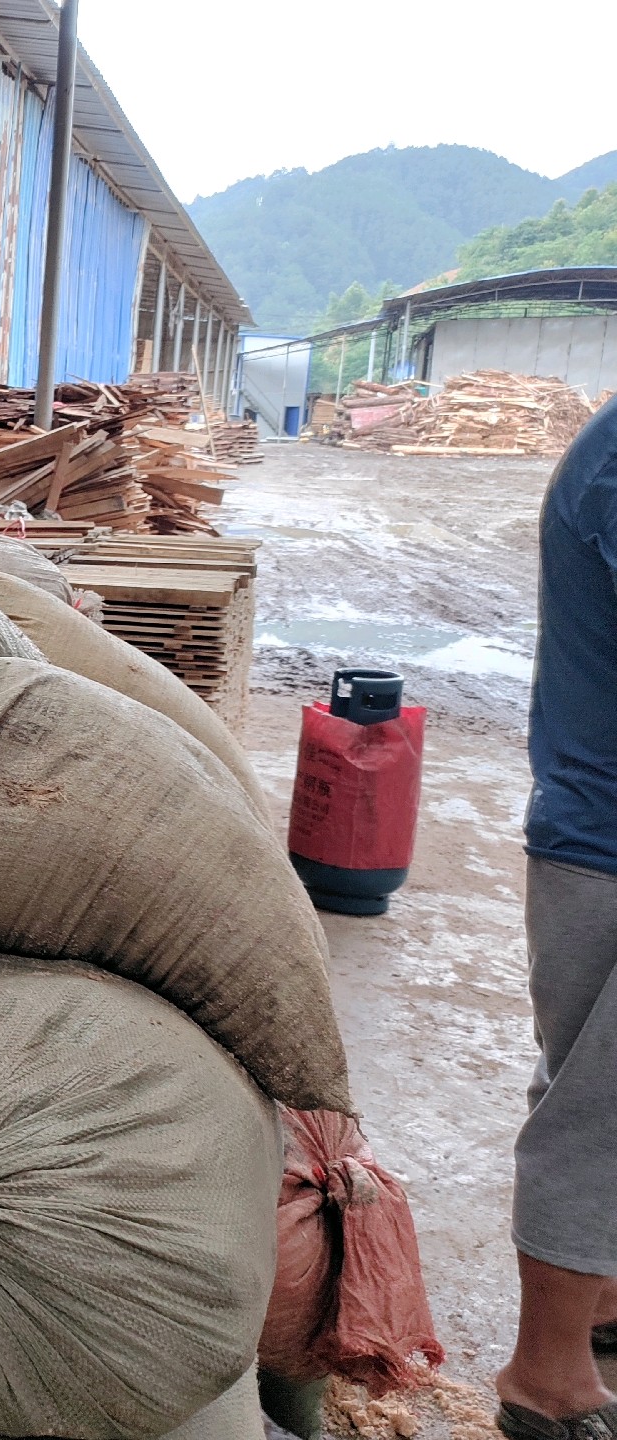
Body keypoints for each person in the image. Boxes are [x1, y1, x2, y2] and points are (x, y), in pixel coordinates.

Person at [497, 393, 617, 1440]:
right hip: (607, 844)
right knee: (597, 1116)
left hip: (591, 835)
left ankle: (601, 1303)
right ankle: (549, 1382)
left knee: (588, 1088)